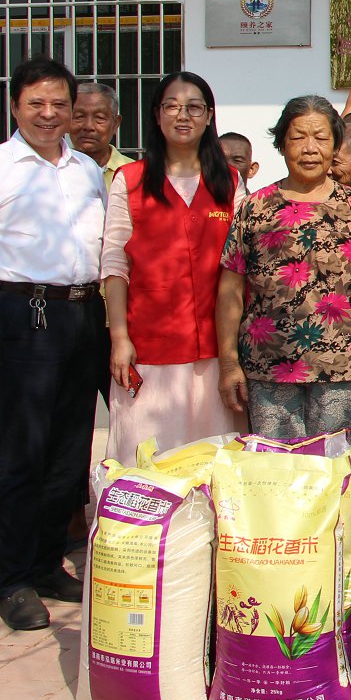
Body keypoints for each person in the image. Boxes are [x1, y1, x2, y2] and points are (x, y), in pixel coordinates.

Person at [0, 57, 109, 631]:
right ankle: (13, 580)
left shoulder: (87, 169)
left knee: (69, 451)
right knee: (23, 452)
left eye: (58, 103)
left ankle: (44, 565)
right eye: (36, 103)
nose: (48, 113)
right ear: (15, 106)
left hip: (84, 314)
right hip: (23, 314)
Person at [217, 96, 351, 442]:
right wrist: (228, 362)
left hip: (344, 365)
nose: (310, 148)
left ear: (335, 146)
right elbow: (230, 290)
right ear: (281, 144)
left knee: (336, 472)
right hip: (269, 368)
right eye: (298, 137)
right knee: (279, 473)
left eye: (321, 138)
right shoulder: (255, 207)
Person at [101, 72, 243, 465]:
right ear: (157, 115)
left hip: (216, 349)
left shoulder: (230, 183)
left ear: (209, 116)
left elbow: (241, 263)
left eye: (194, 107)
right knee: (148, 458)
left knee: (214, 459)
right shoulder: (128, 181)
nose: (184, 115)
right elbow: (114, 264)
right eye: (172, 106)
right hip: (150, 345)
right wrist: (119, 337)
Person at [70, 83, 134, 186]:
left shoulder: (137, 174)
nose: (89, 126)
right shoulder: (52, 173)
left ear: (115, 124)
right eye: (79, 116)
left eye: (99, 117)